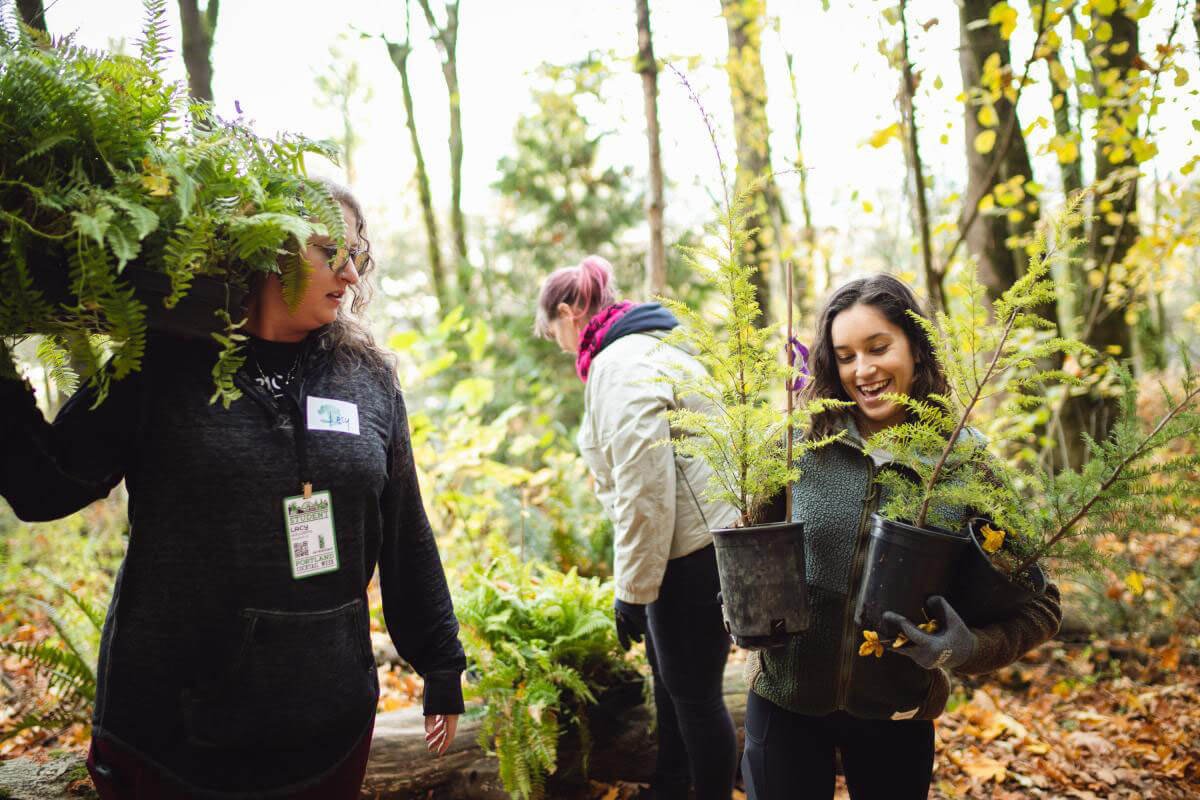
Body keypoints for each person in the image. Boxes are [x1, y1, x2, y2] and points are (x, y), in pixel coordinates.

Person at [0, 181, 465, 799]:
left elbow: (404, 524)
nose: (350, 276)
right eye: (332, 252)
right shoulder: (160, 362)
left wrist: (440, 663)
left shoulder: (367, 376)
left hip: (328, 729)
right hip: (175, 736)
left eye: (358, 256)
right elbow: (43, 490)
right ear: (266, 250)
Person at [740, 274, 1062, 799]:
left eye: (878, 347)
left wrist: (967, 648)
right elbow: (746, 549)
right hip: (784, 701)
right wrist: (739, 606)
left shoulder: (965, 463)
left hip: (898, 713)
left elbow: (1042, 605)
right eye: (844, 356)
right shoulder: (798, 445)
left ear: (914, 346)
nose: (862, 370)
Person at [535, 255, 739, 800]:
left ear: (567, 312)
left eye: (551, 330)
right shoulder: (649, 349)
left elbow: (644, 486)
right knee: (673, 685)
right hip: (702, 544)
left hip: (689, 553)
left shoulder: (620, 362)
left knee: (695, 695)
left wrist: (632, 592)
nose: (556, 343)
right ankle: (671, 785)